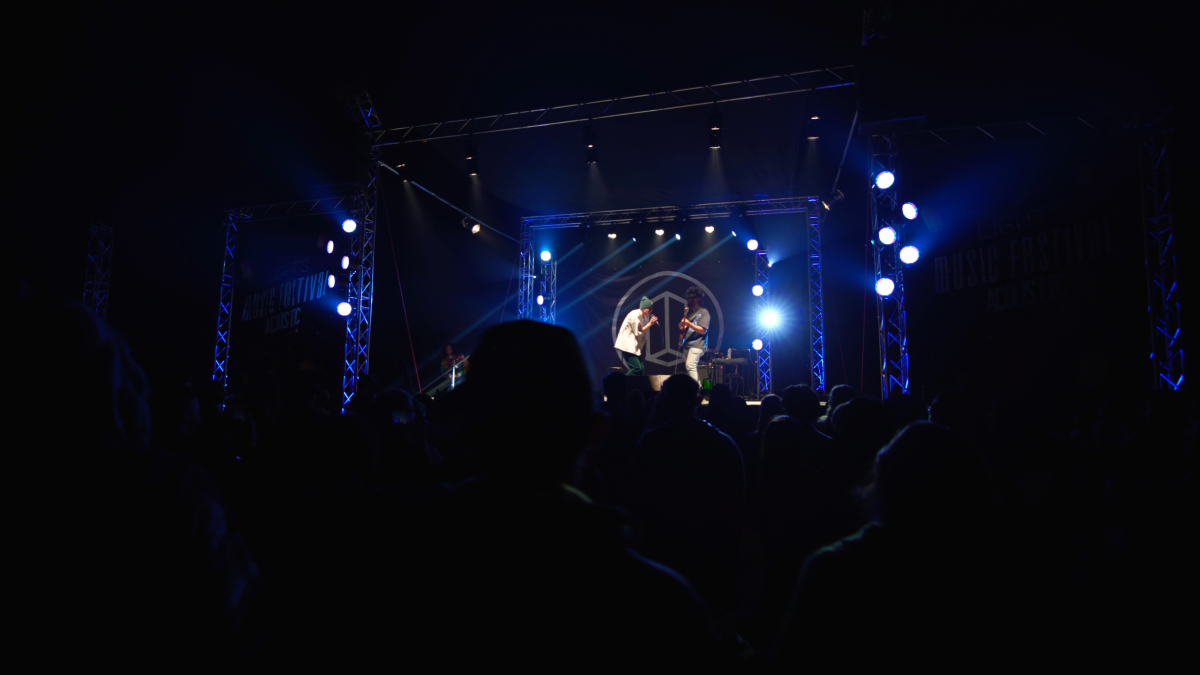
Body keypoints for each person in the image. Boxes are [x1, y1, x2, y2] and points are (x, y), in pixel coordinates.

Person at [614, 296, 658, 376]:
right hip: (627, 347)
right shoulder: (634, 315)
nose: (651, 311)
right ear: (644, 307)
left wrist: (642, 340)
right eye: (649, 308)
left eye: (651, 309)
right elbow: (638, 332)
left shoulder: (643, 317)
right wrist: (650, 324)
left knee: (641, 370)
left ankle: (635, 386)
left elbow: (639, 331)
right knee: (637, 369)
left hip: (634, 347)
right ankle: (621, 382)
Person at [678, 286, 711, 384]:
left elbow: (703, 330)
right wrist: (682, 326)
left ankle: (696, 391)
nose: (687, 300)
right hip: (687, 345)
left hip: (698, 345)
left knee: (690, 366)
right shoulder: (691, 314)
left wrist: (689, 323)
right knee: (689, 369)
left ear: (696, 299)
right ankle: (698, 388)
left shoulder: (704, 312)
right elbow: (687, 327)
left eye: (689, 298)